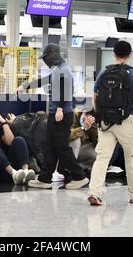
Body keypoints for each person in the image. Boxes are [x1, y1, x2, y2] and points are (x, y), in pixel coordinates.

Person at [17, 44, 89, 190]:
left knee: (62, 148)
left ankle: (79, 176)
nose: (46, 62)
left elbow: (67, 91)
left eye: (46, 58)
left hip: (61, 115)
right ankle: (45, 178)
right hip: (56, 114)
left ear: (53, 56)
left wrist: (60, 108)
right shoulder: (57, 70)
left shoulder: (64, 70)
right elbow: (43, 80)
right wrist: (25, 86)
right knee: (50, 147)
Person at [88, 40, 133, 206]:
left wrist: (100, 116)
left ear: (114, 54)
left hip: (106, 123)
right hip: (126, 121)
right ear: (129, 55)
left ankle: (94, 192)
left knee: (102, 158)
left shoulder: (103, 73)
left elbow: (94, 98)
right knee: (131, 158)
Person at [0, 111, 35, 184]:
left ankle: (26, 172)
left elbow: (10, 141)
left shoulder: (2, 130)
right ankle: (14, 173)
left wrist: (4, 123)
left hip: (17, 171)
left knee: (19, 140)